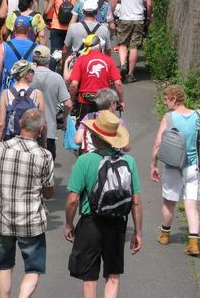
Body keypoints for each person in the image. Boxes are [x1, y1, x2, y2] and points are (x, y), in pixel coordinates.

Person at [0, 108, 54, 298]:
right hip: (31, 222)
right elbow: (49, 192)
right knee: (33, 269)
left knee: (4, 266)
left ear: (20, 123)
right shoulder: (44, 156)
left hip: (3, 220)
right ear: (41, 129)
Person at [65, 110, 142, 298]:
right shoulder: (129, 161)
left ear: (94, 136)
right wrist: (138, 232)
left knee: (90, 277)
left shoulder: (84, 161)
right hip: (117, 223)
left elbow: (73, 199)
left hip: (90, 222)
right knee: (113, 275)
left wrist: (69, 224)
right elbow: (136, 202)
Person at [150, 84, 200, 257]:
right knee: (191, 205)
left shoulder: (169, 117)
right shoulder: (197, 115)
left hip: (173, 166)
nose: (165, 103)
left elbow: (158, 143)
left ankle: (165, 235)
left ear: (174, 99)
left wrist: (153, 165)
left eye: (166, 99)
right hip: (193, 167)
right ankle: (193, 242)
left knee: (169, 201)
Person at [110, 0, 152, 83]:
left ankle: (123, 64)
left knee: (123, 44)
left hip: (124, 18)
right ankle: (130, 74)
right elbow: (149, 3)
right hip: (138, 19)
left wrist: (110, 13)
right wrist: (148, 17)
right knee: (134, 46)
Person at [30, 45, 72, 161]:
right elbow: (68, 103)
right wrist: (64, 119)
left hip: (29, 128)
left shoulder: (28, 76)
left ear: (34, 59)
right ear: (49, 59)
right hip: (49, 129)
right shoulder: (56, 77)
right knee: (47, 165)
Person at [69, 34, 124, 120]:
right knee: (104, 128)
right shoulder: (108, 60)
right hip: (104, 101)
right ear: (99, 46)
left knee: (84, 128)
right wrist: (121, 101)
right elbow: (118, 84)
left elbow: (73, 85)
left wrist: (72, 100)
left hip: (85, 101)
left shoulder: (80, 60)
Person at [0, 60, 46, 145]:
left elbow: (1, 124)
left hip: (10, 140)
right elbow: (43, 122)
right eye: (32, 71)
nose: (33, 73)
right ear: (25, 74)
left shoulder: (6, 93)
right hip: (32, 141)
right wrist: (44, 143)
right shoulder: (37, 94)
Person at [0, 15, 38, 101]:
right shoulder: (37, 48)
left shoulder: (4, 47)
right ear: (29, 29)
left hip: (9, 94)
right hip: (30, 95)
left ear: (14, 28)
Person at [74, 88, 128, 155]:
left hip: (92, 156)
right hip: (111, 159)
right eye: (116, 102)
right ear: (112, 103)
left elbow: (78, 140)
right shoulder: (118, 122)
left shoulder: (88, 117)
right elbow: (126, 147)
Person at [44, 0, 79, 68]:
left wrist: (47, 22)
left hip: (56, 27)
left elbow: (46, 11)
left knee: (54, 53)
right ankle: (67, 73)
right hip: (71, 29)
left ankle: (51, 73)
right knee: (70, 53)